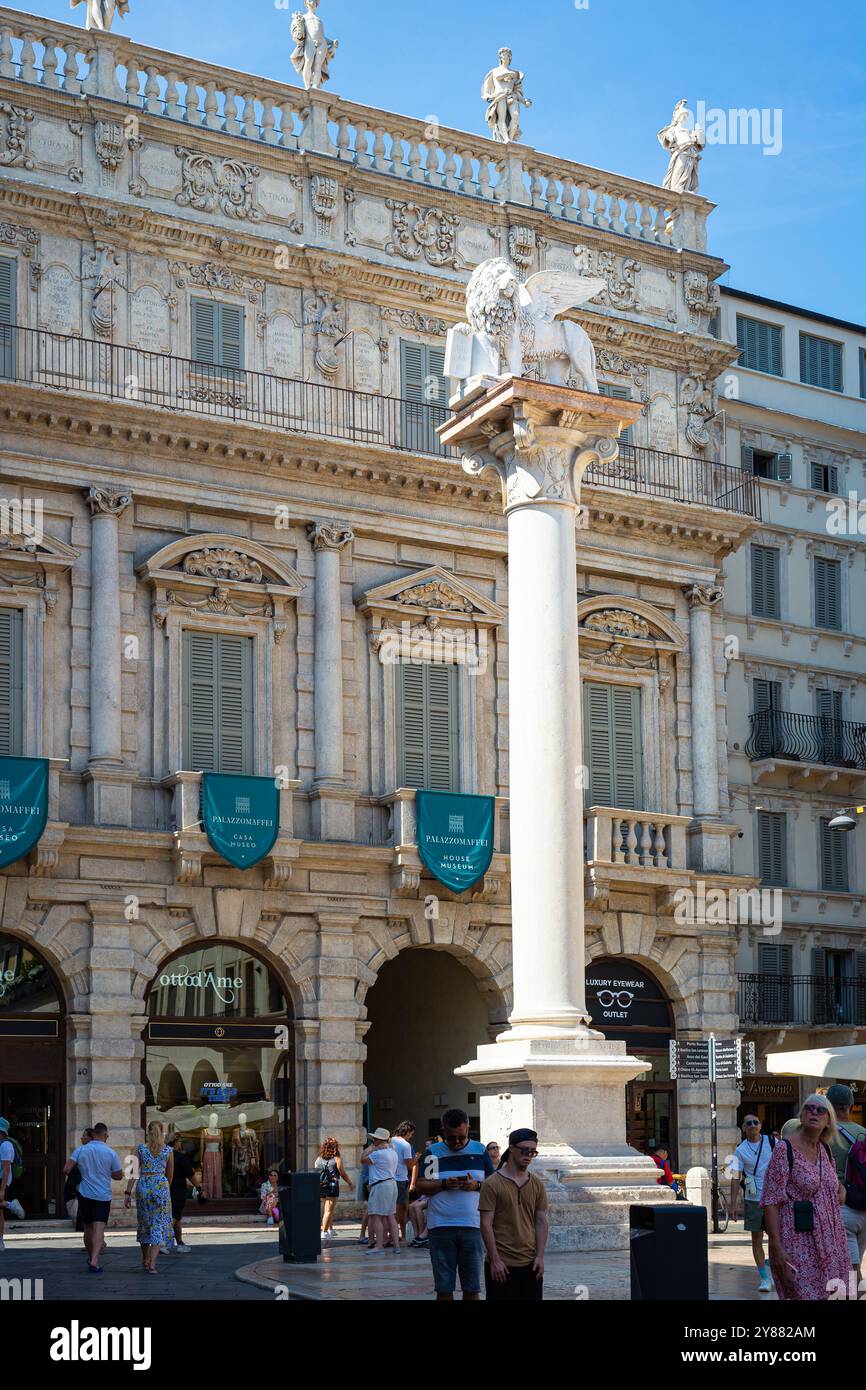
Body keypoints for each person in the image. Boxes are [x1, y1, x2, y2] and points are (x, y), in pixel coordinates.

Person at [761, 1093, 849, 1301]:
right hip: (799, 1242)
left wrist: (841, 1190)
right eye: (809, 1108)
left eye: (820, 1110)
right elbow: (771, 1201)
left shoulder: (824, 1149)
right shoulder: (785, 1149)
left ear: (828, 1120)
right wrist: (776, 1246)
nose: (814, 1113)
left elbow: (831, 1182)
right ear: (801, 1116)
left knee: (838, 1295)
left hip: (832, 1242)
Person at [783, 1084, 866, 1277]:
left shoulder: (822, 1135)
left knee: (849, 1272)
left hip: (840, 1210)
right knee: (853, 1268)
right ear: (851, 1107)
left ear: (828, 1108)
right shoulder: (863, 1133)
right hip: (864, 1207)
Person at [413, 1108, 495, 1301]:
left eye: (462, 1137)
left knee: (472, 1287)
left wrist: (477, 1185)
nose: (457, 1142)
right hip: (441, 1227)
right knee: (444, 1288)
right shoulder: (433, 1152)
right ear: (443, 1131)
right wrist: (443, 1184)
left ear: (468, 1128)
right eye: (451, 1138)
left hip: (472, 1226)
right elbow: (421, 1185)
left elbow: (494, 1185)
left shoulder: (480, 1150)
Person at [479, 1127, 549, 1301]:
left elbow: (541, 1221)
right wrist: (495, 1259)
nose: (529, 1156)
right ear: (511, 1148)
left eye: (533, 1152)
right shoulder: (491, 1183)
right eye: (525, 1150)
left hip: (530, 1264)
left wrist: (540, 1256)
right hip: (501, 1265)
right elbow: (486, 1223)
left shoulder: (537, 1184)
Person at [64, 1121, 122, 1274]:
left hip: (85, 1194)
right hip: (103, 1195)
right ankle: (95, 1260)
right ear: (104, 1135)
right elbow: (118, 1176)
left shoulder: (80, 1150)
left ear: (93, 1134)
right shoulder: (111, 1153)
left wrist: (82, 1174)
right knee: (99, 1227)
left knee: (88, 1228)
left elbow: (66, 1169)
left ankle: (91, 1257)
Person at [729, 1114, 776, 1292]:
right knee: (756, 1240)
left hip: (773, 1199)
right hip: (753, 1199)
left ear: (760, 1125)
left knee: (776, 1238)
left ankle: (775, 1269)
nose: (753, 1125)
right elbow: (735, 1177)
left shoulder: (773, 1142)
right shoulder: (740, 1150)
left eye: (756, 1122)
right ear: (743, 1127)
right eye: (748, 1123)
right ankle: (765, 1278)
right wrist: (733, 1204)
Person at [124, 1119, 174, 1274]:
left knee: (145, 1223)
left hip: (144, 1186)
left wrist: (127, 1193)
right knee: (158, 1224)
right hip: (160, 1186)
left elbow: (133, 1173)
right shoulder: (168, 1151)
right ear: (162, 1132)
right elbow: (170, 1175)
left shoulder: (139, 1149)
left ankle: (145, 1258)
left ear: (148, 1132)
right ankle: (152, 1264)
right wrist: (164, 1189)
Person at [361, 1127, 400, 1253]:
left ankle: (379, 1246)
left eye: (374, 1139)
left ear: (378, 1139)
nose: (373, 1140)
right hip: (392, 1184)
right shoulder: (393, 1152)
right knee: (390, 1216)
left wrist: (372, 1148)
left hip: (381, 1185)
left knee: (376, 1216)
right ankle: (396, 1246)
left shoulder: (377, 1153)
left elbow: (362, 1159)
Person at [315, 1137, 352, 1239]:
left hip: (321, 1186)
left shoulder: (318, 1159)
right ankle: (324, 1232)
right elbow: (342, 1173)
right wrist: (350, 1183)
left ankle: (330, 1229)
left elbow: (316, 1171)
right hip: (332, 1186)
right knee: (328, 1211)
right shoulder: (336, 1158)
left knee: (328, 1209)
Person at [0, 1118, 25, 1251]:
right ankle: (0, 1241)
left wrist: (2, 1189)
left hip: (1, 1180)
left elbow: (6, 1168)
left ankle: (11, 1205)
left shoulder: (5, 1146)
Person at [63, 1127, 95, 1233]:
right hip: (98, 1190)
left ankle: (91, 1245)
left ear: (90, 1138)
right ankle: (98, 1242)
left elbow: (66, 1169)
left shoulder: (80, 1150)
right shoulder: (102, 1151)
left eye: (84, 1136)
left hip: (83, 1189)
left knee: (85, 1219)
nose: (81, 1138)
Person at [167, 1133, 194, 1252]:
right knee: (175, 1215)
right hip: (177, 1190)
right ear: (176, 1143)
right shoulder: (180, 1157)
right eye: (180, 1142)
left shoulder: (162, 1154)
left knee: (177, 1217)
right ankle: (162, 1241)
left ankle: (180, 1243)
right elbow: (191, 1174)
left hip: (164, 1188)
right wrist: (199, 1187)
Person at [391, 1121, 416, 1243]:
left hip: (389, 1179)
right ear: (407, 1132)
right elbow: (410, 1165)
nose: (411, 1137)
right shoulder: (406, 1145)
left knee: (390, 1210)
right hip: (401, 1179)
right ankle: (402, 1236)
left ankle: (391, 1236)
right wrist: (416, 1159)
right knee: (401, 1209)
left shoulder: (389, 1141)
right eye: (411, 1134)